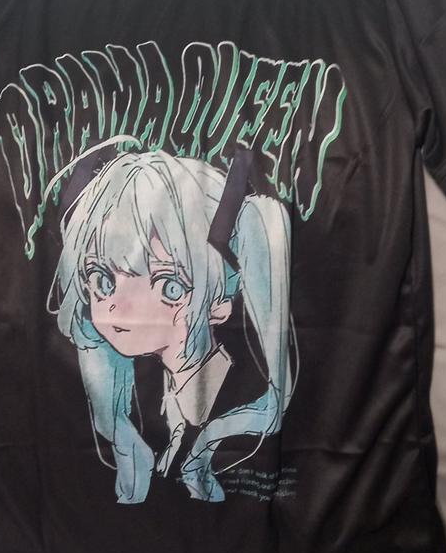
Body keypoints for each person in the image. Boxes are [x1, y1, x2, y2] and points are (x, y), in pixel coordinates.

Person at [49, 146, 297, 503]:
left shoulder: (239, 406)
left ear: (220, 305)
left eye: (169, 286)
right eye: (102, 279)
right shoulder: (143, 401)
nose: (121, 306)